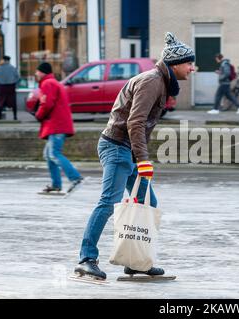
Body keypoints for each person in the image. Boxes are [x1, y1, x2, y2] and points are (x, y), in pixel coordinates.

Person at [74, 32, 195, 280]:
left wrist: (139, 157)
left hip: (127, 149)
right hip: (117, 147)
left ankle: (136, 261)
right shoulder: (152, 81)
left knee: (147, 204)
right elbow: (136, 122)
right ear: (174, 64)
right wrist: (143, 160)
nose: (192, 68)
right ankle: (87, 258)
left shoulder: (160, 81)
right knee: (109, 202)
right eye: (189, 63)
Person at [34, 62, 84, 194]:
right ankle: (56, 184)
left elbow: (47, 104)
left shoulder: (47, 83)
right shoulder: (54, 82)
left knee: (54, 153)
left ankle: (75, 178)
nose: (36, 74)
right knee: (48, 154)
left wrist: (38, 115)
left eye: (37, 71)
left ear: (42, 72)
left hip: (56, 125)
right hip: (58, 124)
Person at [0, 56, 19, 120]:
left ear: (3, 60)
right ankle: (15, 116)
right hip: (11, 87)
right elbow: (17, 77)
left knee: (1, 101)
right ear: (8, 60)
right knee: (13, 102)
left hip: (2, 87)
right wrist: (14, 82)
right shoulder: (13, 68)